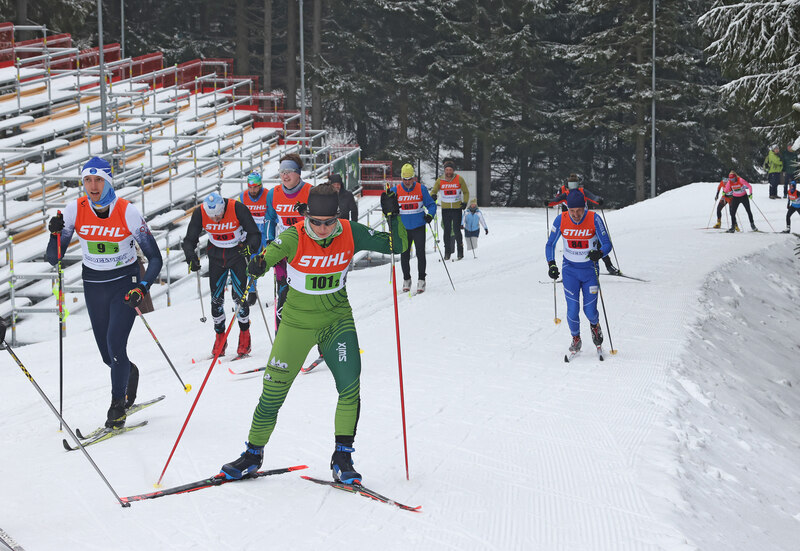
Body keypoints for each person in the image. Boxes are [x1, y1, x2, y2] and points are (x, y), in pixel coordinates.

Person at [219, 184, 408, 484]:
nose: (322, 228)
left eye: (328, 222)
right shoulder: (293, 236)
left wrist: (393, 216)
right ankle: (252, 455)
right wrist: (258, 264)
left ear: (337, 216)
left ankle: (342, 457)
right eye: (315, 222)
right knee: (272, 393)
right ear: (306, 215)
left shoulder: (350, 232)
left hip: (337, 321)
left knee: (350, 386)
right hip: (296, 324)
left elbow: (398, 245)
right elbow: (269, 255)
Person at [46, 157, 163, 429]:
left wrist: (142, 287)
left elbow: (155, 258)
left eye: (98, 180)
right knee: (107, 356)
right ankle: (129, 373)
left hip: (125, 282)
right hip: (94, 284)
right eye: (88, 180)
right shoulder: (74, 209)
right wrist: (54, 234)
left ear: (109, 181)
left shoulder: (127, 211)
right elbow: (54, 258)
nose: (93, 186)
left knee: (115, 344)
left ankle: (117, 408)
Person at [182, 191, 262, 357]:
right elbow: (189, 240)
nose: (215, 220)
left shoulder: (237, 208)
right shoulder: (200, 212)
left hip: (238, 254)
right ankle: (220, 337)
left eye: (218, 215)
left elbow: (255, 234)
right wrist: (191, 257)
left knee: (239, 298)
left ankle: (244, 334)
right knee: (216, 300)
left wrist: (250, 247)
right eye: (212, 217)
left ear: (223, 208)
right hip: (216, 256)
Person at [545, 190, 612, 353]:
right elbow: (550, 244)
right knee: (572, 310)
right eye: (572, 211)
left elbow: (607, 244)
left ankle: (595, 326)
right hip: (570, 271)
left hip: (590, 271)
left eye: (579, 211)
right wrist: (551, 264)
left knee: (590, 311)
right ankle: (576, 338)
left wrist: (600, 253)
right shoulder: (561, 219)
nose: (575, 215)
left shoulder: (594, 219)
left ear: (585, 207)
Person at [264, 153, 312, 329]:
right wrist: (270, 242)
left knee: (306, 294)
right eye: (282, 171)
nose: (285, 175)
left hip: (307, 250)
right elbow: (269, 219)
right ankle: (282, 335)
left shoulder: (310, 191)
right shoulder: (273, 194)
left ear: (298, 173)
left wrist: (308, 212)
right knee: (283, 293)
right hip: (284, 250)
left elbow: (323, 220)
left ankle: (313, 335)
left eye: (289, 171)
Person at [546, 175, 617, 275]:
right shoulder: (566, 193)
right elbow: (556, 200)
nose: (573, 187)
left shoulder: (582, 192)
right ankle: (569, 270)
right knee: (571, 244)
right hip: (570, 221)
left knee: (598, 244)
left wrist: (598, 200)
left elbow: (593, 197)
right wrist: (549, 202)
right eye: (571, 185)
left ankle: (609, 265)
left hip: (586, 220)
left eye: (574, 184)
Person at [390, 163, 436, 293]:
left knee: (420, 253)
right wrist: (388, 209)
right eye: (405, 179)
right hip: (403, 228)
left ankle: (421, 279)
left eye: (409, 179)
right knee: (404, 254)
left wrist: (430, 215)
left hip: (418, 226)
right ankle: (407, 279)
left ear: (414, 178)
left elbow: (431, 205)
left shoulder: (421, 189)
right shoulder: (395, 190)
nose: (407, 182)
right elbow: (387, 207)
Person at [238, 171, 268, 307]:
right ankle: (252, 291)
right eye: (250, 187)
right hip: (252, 234)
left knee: (272, 259)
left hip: (266, 232)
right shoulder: (242, 197)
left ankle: (282, 289)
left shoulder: (268, 195)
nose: (252, 190)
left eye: (255, 187)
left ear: (260, 185)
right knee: (253, 261)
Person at [431, 160, 469, 260]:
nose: (448, 172)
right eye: (447, 170)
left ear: (453, 170)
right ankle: (447, 253)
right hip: (445, 209)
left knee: (456, 230)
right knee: (447, 231)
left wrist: (465, 202)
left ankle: (460, 252)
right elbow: (434, 191)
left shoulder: (459, 179)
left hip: (457, 208)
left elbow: (466, 192)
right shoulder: (440, 180)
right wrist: (433, 195)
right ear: (444, 170)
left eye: (450, 170)